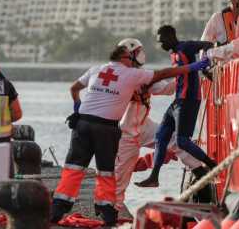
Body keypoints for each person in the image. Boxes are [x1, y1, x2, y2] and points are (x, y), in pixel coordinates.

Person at [51, 44, 210, 226]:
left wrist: (77, 107)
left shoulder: (100, 70)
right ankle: (110, 212)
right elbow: (163, 76)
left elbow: (167, 86)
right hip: (121, 132)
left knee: (75, 167)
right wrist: (191, 69)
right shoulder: (133, 74)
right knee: (111, 174)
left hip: (131, 126)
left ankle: (199, 169)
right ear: (128, 57)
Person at [114, 38, 205, 210]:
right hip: (125, 133)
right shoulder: (121, 76)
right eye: (139, 50)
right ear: (131, 54)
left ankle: (200, 171)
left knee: (175, 141)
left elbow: (167, 88)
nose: (143, 54)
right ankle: (113, 210)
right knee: (120, 176)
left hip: (143, 125)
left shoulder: (143, 75)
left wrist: (193, 76)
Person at [135, 25, 217, 188]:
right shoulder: (173, 53)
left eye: (162, 41)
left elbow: (208, 45)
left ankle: (212, 165)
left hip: (189, 100)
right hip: (178, 100)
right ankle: (154, 177)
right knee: (161, 136)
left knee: (182, 141)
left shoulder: (186, 46)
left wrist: (206, 66)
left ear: (171, 36)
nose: (161, 45)